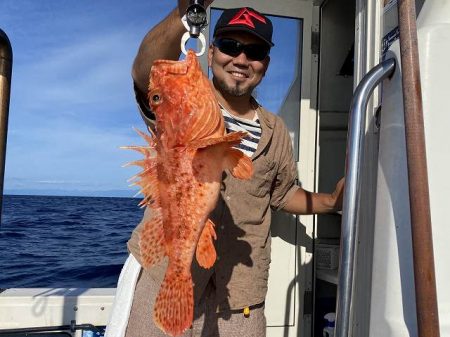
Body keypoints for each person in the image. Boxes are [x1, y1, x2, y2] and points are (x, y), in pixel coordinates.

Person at [105, 1, 344, 337]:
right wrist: (187, 12)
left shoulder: (276, 131)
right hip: (161, 276)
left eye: (255, 50)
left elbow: (283, 193)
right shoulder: (180, 106)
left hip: (240, 298)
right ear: (212, 50)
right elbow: (147, 71)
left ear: (266, 63)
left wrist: (331, 201)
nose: (241, 59)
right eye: (231, 46)